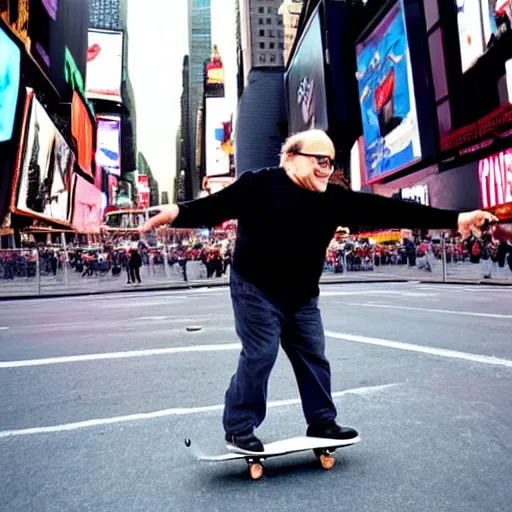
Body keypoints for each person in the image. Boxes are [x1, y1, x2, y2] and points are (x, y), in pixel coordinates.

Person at [142, 129, 497, 453]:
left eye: (332, 161)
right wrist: (175, 210)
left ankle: (322, 423)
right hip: (255, 289)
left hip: (301, 297)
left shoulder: (334, 199)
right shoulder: (259, 184)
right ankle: (239, 427)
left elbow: (388, 208)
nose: (328, 169)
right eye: (321, 160)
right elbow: (214, 208)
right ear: (291, 158)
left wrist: (456, 219)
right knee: (261, 353)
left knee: (314, 356)